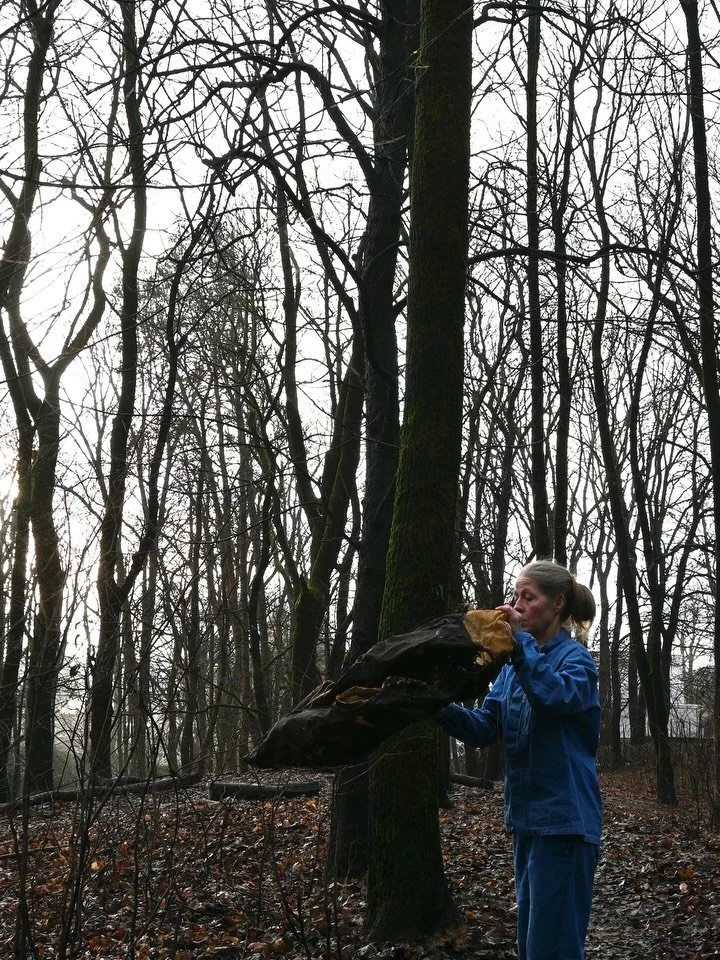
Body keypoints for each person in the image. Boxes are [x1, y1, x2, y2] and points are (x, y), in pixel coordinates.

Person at [437, 559, 602, 960]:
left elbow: (555, 695)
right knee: (532, 947)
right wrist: (433, 702)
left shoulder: (576, 662)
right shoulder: (513, 670)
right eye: (516, 596)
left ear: (558, 603)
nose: (517, 606)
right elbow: (483, 728)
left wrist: (520, 646)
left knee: (553, 949)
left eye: (529, 597)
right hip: (527, 823)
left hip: (565, 823)